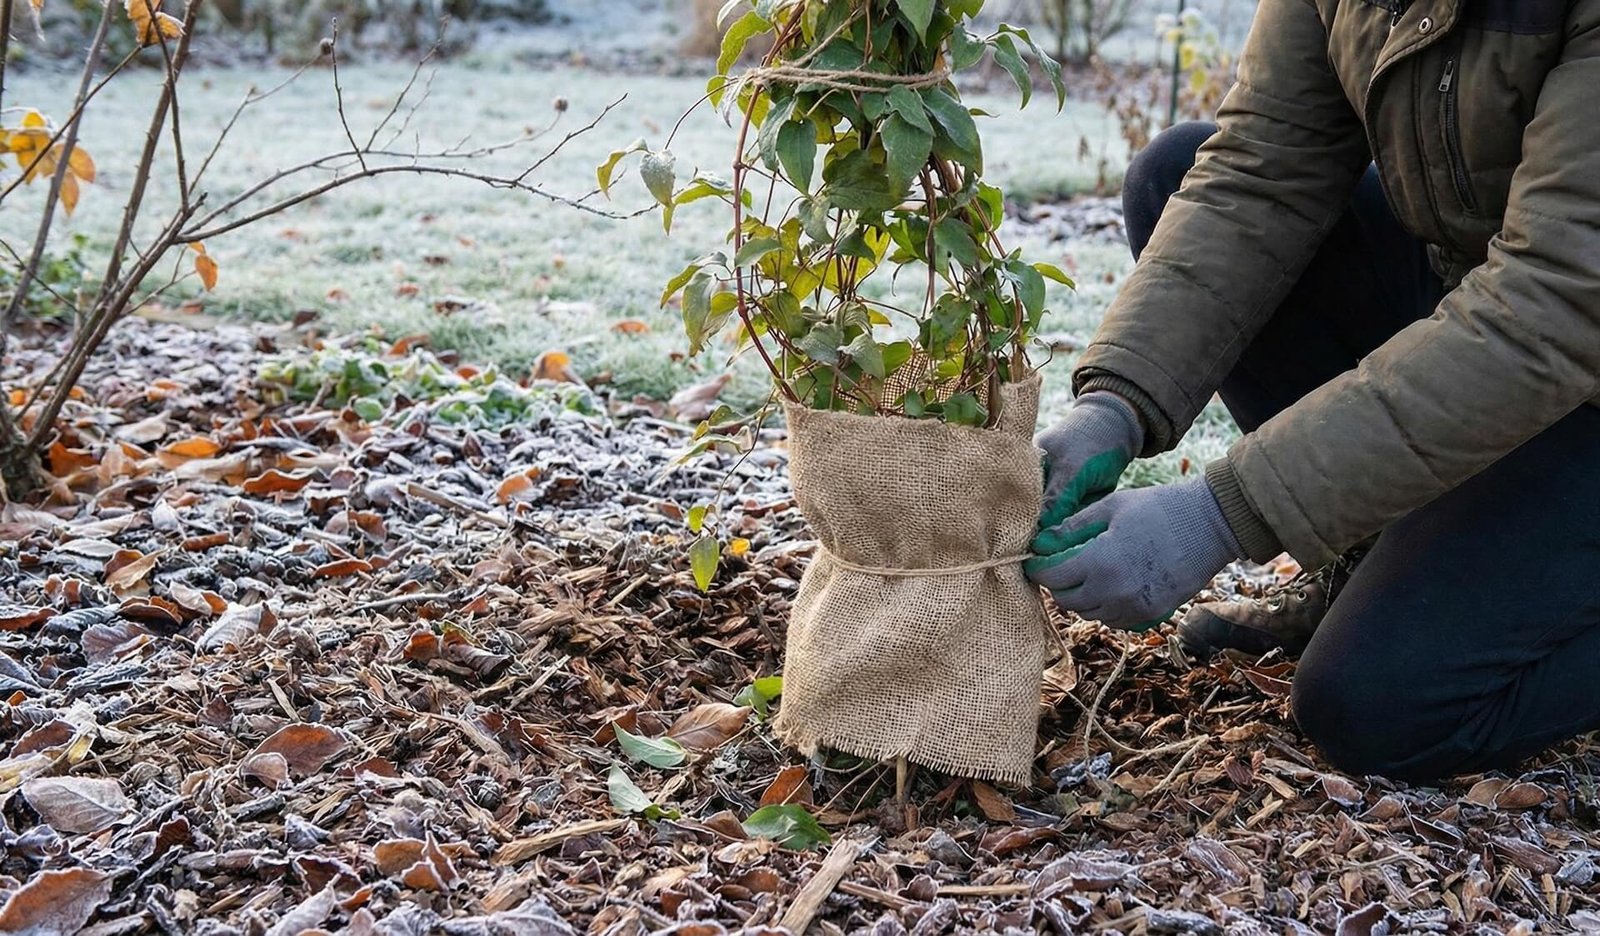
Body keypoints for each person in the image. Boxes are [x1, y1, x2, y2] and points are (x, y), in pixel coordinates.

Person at [1025, 0, 1600, 784]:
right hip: (1497, 312)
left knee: (1380, 706)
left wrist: (1221, 514)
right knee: (1176, 172)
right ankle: (1366, 559)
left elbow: (1559, 300)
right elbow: (1264, 169)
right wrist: (1115, 403)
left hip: (1567, 330)